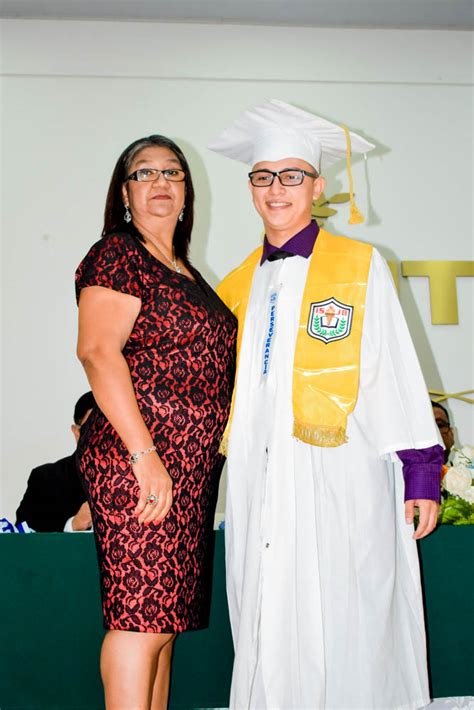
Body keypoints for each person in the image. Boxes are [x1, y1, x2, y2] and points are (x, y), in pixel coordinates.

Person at [208, 99, 444, 710]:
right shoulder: (235, 285)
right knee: (269, 608)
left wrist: (421, 470)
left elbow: (395, 367)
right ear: (251, 188)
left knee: (350, 603)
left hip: (343, 471)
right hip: (262, 479)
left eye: (292, 175)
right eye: (264, 176)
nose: (276, 189)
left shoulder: (360, 266)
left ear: (317, 185)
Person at [75, 134, 236, 710]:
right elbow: (98, 352)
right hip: (140, 455)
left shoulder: (183, 269)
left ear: (188, 191)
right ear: (124, 192)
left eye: (173, 173)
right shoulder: (118, 253)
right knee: (140, 618)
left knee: (162, 622)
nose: (161, 183)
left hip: (186, 466)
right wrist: (145, 458)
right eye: (145, 174)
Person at [15, 392, 94, 532]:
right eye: (94, 429)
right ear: (77, 432)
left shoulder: (143, 478)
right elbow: (22, 542)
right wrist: (73, 525)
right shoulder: (46, 479)